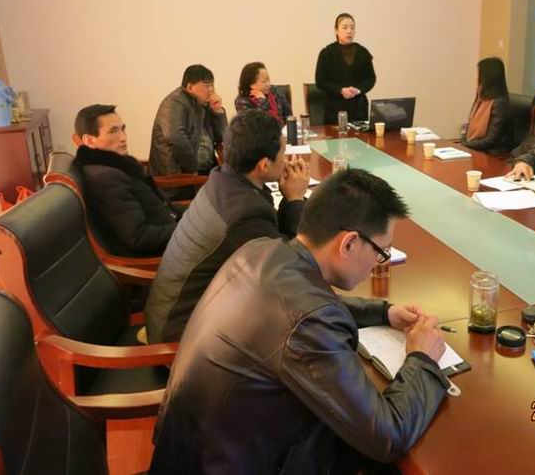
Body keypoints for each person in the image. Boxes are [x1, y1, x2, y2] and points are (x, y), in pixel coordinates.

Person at [150, 169, 451, 474]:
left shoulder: (261, 249)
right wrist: (422, 358)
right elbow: (388, 435)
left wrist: (384, 313)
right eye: (380, 252)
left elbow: (306, 305)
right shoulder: (308, 321)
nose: (378, 263)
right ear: (348, 243)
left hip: (197, 452)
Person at [144, 109, 309, 343]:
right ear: (263, 165)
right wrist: (294, 200)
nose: (287, 159)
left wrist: (290, 198)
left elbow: (272, 240)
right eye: (283, 152)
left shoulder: (222, 179)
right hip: (182, 338)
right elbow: (289, 267)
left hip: (175, 314)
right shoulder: (244, 214)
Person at [73, 104, 180, 256]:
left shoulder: (116, 167)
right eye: (113, 131)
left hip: (173, 233)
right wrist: (189, 228)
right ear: (89, 141)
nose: (123, 137)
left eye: (122, 129)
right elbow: (140, 238)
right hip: (167, 253)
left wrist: (193, 217)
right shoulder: (106, 179)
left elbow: (160, 208)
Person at [149, 64, 227, 176]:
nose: (211, 90)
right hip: (177, 174)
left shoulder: (204, 103)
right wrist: (193, 169)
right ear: (190, 87)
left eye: (212, 85)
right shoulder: (174, 103)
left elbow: (223, 137)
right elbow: (177, 139)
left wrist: (217, 110)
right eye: (206, 85)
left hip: (206, 171)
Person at [315, 12, 376, 124]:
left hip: (359, 107)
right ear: (336, 31)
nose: (349, 31)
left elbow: (371, 79)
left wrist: (358, 90)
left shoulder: (363, 52)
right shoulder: (327, 53)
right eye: (345, 27)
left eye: (352, 28)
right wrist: (340, 90)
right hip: (334, 108)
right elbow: (320, 81)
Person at [459, 57, 519, 153]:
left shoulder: (500, 103)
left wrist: (464, 144)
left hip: (493, 154)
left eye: (479, 75)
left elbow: (491, 141)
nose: (476, 79)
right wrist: (462, 142)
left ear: (487, 78)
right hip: (477, 148)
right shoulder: (482, 98)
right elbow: (470, 127)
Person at [234, 61, 292, 125]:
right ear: (252, 84)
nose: (268, 84)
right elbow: (255, 124)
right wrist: (263, 101)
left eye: (268, 79)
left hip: (283, 130)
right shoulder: (242, 101)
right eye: (264, 81)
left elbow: (289, 116)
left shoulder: (274, 91)